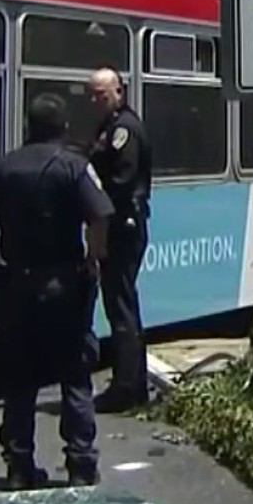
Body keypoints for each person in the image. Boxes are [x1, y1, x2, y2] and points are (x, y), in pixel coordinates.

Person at [0, 94, 115, 491]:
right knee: (74, 375)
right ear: (64, 127)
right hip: (64, 282)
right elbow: (101, 214)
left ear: (28, 126)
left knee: (19, 378)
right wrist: (93, 257)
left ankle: (19, 465)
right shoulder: (73, 166)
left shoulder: (3, 168)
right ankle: (81, 464)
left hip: (17, 282)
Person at [85, 66, 153, 415]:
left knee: (121, 307)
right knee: (120, 305)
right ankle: (131, 382)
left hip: (123, 227)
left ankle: (128, 387)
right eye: (93, 94)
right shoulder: (107, 128)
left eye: (102, 93)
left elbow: (121, 181)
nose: (96, 100)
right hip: (118, 226)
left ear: (119, 92)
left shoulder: (124, 130)